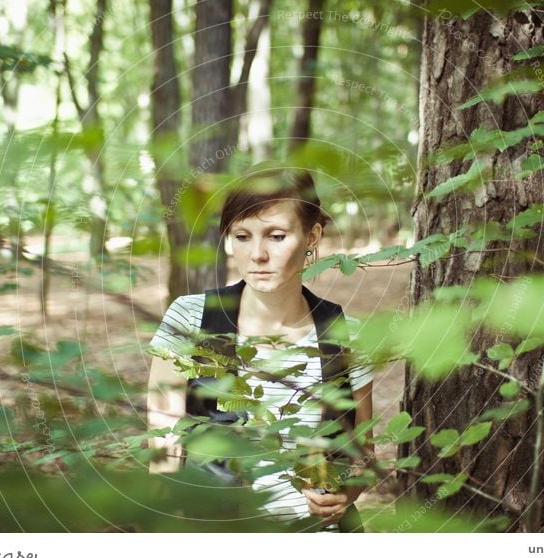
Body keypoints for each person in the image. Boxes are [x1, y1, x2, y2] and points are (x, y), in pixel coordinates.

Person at [147, 162, 374, 532]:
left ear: (313, 237)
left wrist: (344, 496)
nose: (257, 255)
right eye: (242, 236)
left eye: (276, 236)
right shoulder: (190, 318)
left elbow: (362, 455)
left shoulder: (346, 335)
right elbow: (164, 449)